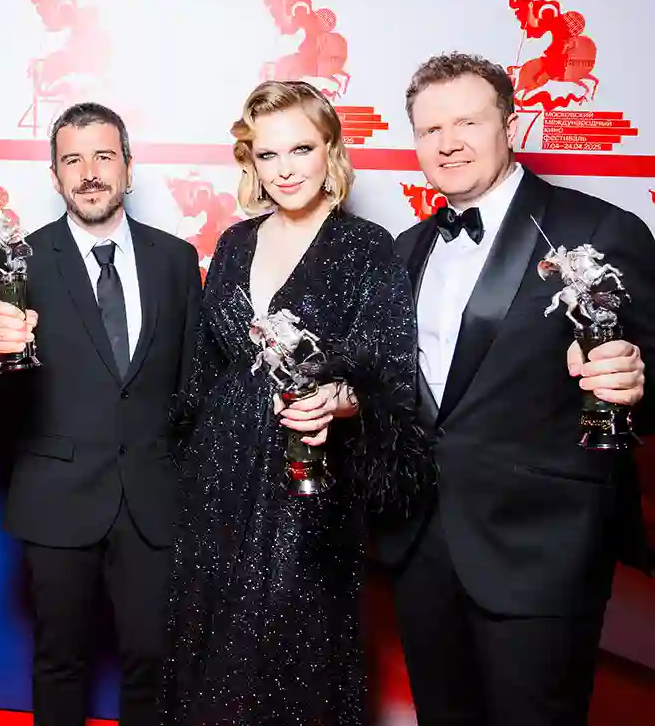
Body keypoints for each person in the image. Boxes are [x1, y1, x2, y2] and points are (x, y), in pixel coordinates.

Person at [383, 52, 653, 726]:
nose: (448, 143)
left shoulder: (597, 229)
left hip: (540, 549)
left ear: (510, 126)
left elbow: (648, 363)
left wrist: (636, 374)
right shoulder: (405, 248)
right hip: (423, 550)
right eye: (430, 129)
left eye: (468, 122)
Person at [159, 80, 431, 725]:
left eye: (301, 149)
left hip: (307, 477)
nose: (284, 169)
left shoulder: (367, 247)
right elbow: (204, 370)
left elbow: (391, 377)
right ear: (251, 162)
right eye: (268, 154)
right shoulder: (235, 242)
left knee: (293, 649)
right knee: (211, 641)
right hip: (220, 475)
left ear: (330, 150)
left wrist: (338, 400)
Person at [0, 102, 201, 726]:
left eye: (103, 156)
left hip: (153, 500)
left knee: (154, 661)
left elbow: (194, 387)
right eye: (73, 160)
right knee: (60, 661)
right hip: (57, 499)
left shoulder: (176, 260)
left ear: (128, 166)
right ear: (54, 175)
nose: (90, 173)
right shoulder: (15, 262)